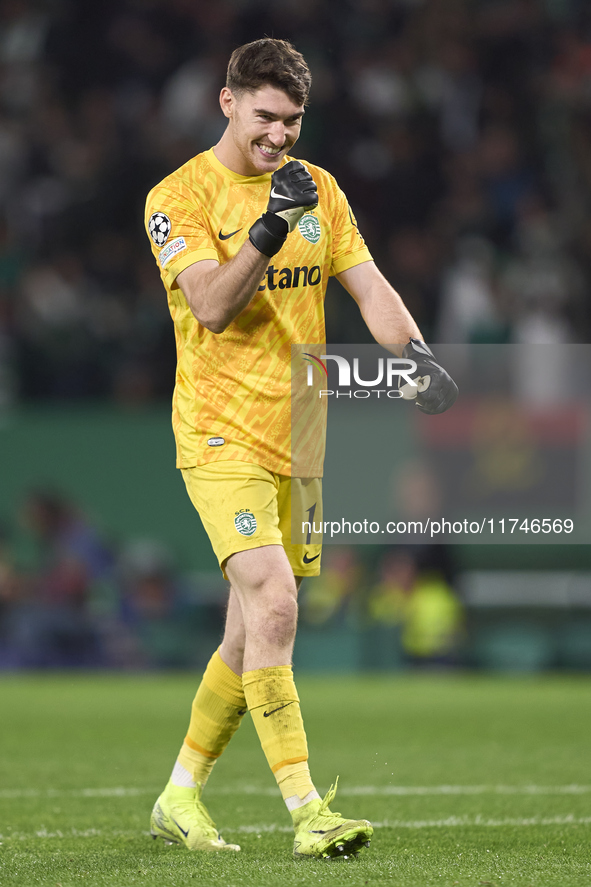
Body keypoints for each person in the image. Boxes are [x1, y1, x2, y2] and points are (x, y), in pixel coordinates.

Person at [144, 37, 457, 860]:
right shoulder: (177, 197)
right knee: (276, 602)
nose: (279, 135)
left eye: (292, 120)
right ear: (227, 102)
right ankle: (308, 811)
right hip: (218, 434)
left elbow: (368, 284)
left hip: (302, 435)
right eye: (264, 116)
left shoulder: (319, 189)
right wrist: (268, 227)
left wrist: (415, 357)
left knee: (248, 636)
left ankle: (179, 795)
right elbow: (210, 305)